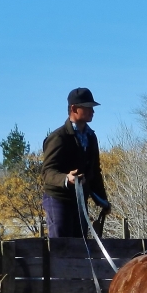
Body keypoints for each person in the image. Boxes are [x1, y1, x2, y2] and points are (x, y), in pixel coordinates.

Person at [41, 87, 111, 238]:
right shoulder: (58, 137)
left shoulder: (91, 137)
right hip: (58, 200)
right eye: (88, 107)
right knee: (61, 247)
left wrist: (102, 200)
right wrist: (66, 179)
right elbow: (47, 172)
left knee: (80, 249)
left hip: (80, 201)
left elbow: (95, 171)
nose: (93, 111)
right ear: (74, 108)